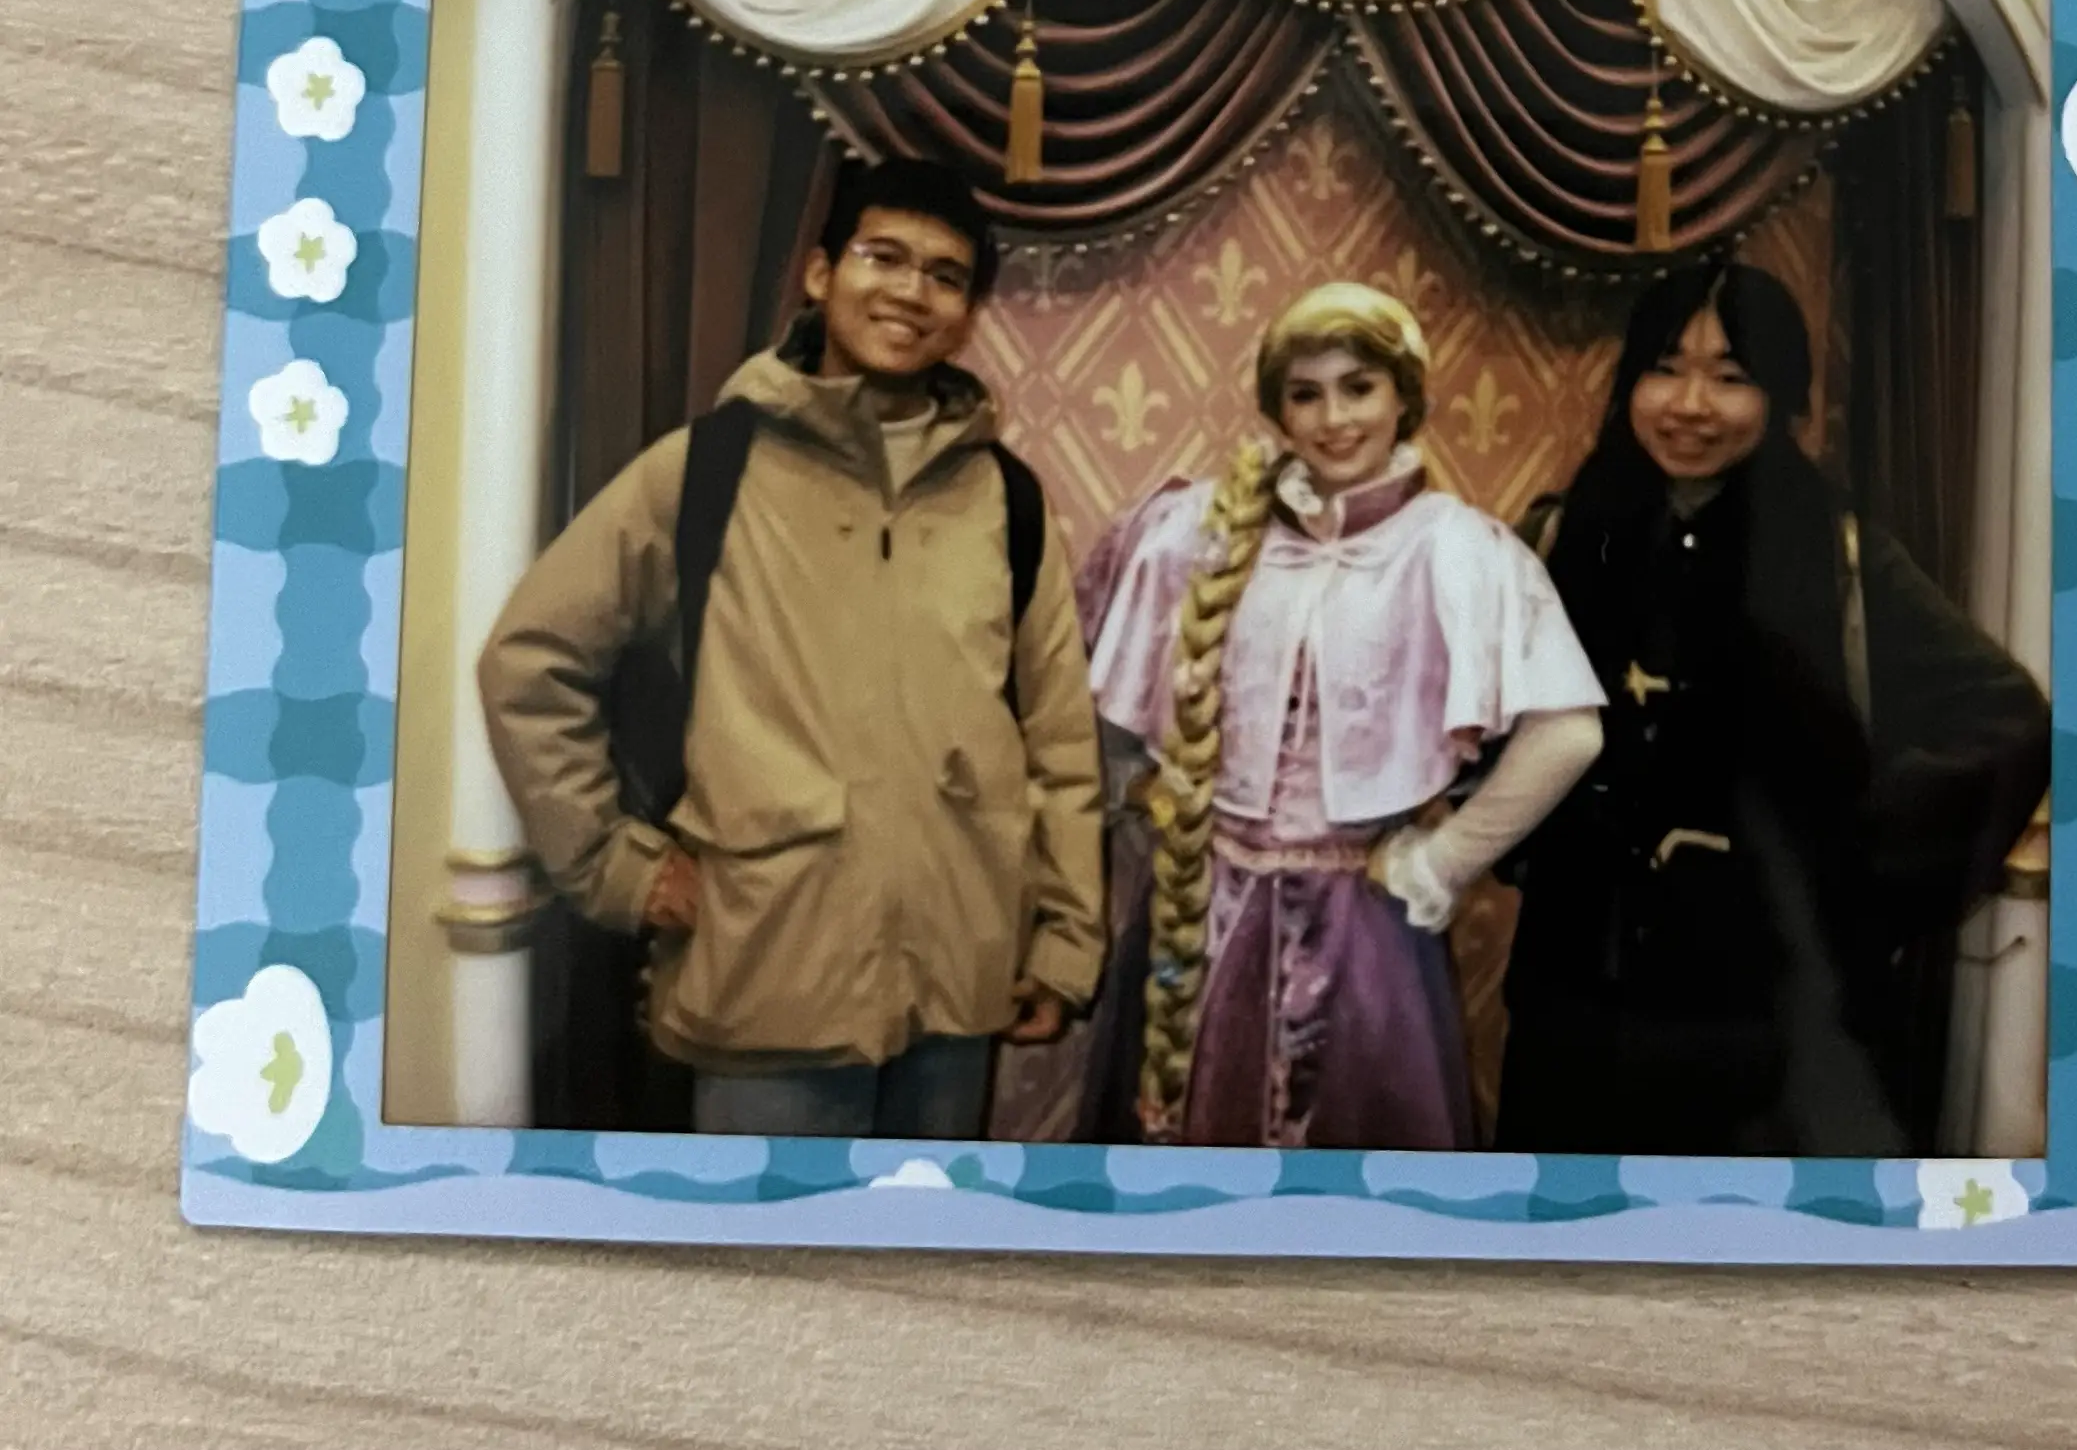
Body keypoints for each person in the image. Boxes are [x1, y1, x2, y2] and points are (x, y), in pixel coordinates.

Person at [477, 156, 1103, 1139]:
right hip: (767, 986)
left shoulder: (1005, 498)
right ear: (820, 273)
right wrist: (618, 868)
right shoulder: (708, 468)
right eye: (883, 256)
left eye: (945, 275)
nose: (912, 291)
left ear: (966, 313)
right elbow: (531, 660)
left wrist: (1065, 940)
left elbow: (1059, 739)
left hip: (958, 991)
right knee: (764, 1239)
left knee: (929, 1240)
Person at [1495, 264, 2049, 1158]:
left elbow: (2008, 716)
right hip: (1582, 994)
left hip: (1768, 1019)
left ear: (1782, 395)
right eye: (1665, 369)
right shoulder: (1560, 536)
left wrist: (1854, 870)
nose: (1691, 405)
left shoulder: (1842, 555)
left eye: (1731, 377)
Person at [1074, 283, 1604, 1149]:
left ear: (1404, 396)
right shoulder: (1197, 529)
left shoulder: (1456, 549)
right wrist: (1143, 799)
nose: (1334, 419)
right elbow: (1099, 689)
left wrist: (1444, 863)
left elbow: (1569, 731)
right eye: (1306, 393)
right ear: (1278, 408)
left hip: (1361, 936)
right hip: (1196, 918)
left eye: (1359, 387)